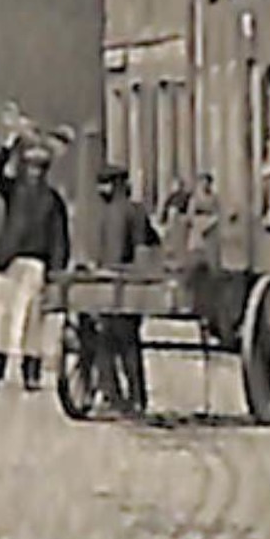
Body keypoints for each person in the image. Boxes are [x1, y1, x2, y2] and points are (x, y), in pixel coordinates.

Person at [0, 135, 69, 393]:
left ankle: (31, 372)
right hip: (8, 261)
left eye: (39, 168)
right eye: (30, 167)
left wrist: (56, 270)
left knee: (31, 318)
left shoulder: (52, 200)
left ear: (45, 172)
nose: (34, 173)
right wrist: (9, 146)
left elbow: (59, 238)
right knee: (0, 314)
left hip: (36, 263)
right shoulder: (14, 190)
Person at [93, 164, 159, 414]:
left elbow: (140, 248)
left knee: (112, 341)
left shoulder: (119, 212)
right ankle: (131, 396)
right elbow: (147, 245)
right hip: (121, 283)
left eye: (105, 184)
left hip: (118, 283)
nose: (101, 189)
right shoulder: (131, 211)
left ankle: (119, 395)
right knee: (125, 342)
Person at [186, 173, 221, 270]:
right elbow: (190, 213)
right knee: (196, 251)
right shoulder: (195, 198)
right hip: (197, 225)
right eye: (202, 183)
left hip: (210, 224)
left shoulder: (213, 197)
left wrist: (212, 220)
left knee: (210, 251)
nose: (205, 185)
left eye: (207, 183)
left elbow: (217, 212)